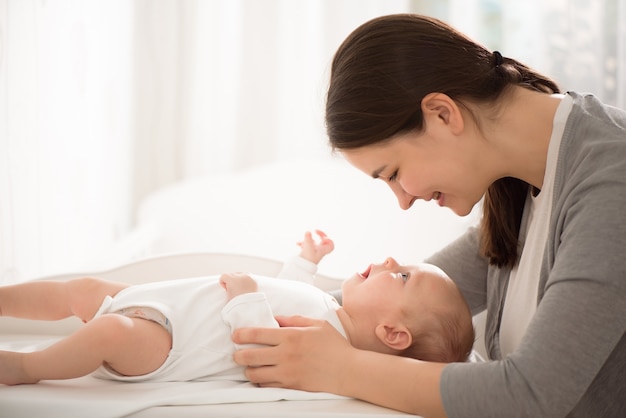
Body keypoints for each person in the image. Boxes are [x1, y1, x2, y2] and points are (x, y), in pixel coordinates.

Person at [230, 13, 626, 418]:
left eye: (395, 173)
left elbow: (529, 394)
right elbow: (363, 310)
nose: (403, 201)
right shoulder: (518, 186)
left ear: (441, 113)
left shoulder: (612, 180)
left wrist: (340, 367)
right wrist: (230, 309)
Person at [0, 230, 473, 386]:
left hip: (168, 345)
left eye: (403, 276)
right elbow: (287, 292)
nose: (391, 261)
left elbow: (262, 349)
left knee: (108, 335)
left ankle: (27, 366)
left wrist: (247, 299)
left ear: (393, 333)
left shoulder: (328, 346)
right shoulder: (329, 308)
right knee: (81, 290)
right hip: (166, 305)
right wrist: (305, 262)